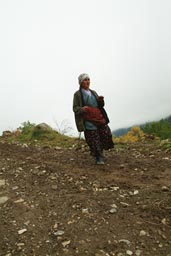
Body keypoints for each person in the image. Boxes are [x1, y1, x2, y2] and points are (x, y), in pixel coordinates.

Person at [73, 73, 114, 164]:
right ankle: (98, 157)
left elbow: (100, 106)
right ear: (80, 82)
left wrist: (101, 101)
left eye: (88, 79)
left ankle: (101, 152)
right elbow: (75, 108)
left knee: (106, 134)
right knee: (93, 138)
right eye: (85, 80)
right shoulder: (77, 94)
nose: (87, 81)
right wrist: (82, 109)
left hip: (98, 117)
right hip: (88, 119)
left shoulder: (93, 92)